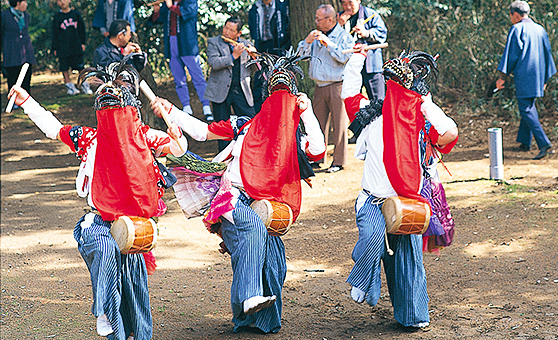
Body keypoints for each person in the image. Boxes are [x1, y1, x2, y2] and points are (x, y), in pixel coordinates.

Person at [7, 59, 186, 340]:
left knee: (134, 293)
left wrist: (175, 130)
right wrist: (26, 100)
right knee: (104, 249)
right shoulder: (89, 138)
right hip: (98, 221)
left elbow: (178, 148)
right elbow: (53, 128)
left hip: (134, 224)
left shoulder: (145, 136)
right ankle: (103, 310)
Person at [150, 50, 326, 333]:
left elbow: (317, 151)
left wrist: (308, 113)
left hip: (269, 203)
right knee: (252, 230)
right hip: (231, 197)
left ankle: (253, 319)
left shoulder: (294, 135)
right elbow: (203, 131)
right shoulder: (244, 124)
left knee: (273, 262)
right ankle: (249, 299)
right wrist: (171, 111)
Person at [341, 46, 458, 328]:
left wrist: (426, 104)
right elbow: (349, 95)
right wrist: (357, 59)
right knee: (371, 237)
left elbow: (450, 133)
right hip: (372, 199)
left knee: (407, 261)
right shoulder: (371, 117)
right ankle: (363, 279)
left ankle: (412, 316)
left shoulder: (421, 123)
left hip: (408, 202)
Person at [297, 4, 355, 173]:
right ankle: (317, 158)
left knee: (339, 126)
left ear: (330, 19)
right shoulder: (316, 36)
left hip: (337, 85)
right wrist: (307, 42)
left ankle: (339, 161)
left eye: (318, 19)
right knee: (317, 124)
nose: (315, 22)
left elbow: (345, 57)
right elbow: (302, 57)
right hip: (319, 86)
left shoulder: (344, 36)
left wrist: (329, 44)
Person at [496, 0, 556, 160]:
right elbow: (547, 55)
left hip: (525, 76)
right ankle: (525, 142)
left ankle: (544, 144)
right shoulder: (540, 29)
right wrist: (545, 79)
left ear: (515, 14)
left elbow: (511, 55)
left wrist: (502, 78)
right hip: (538, 76)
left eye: (510, 15)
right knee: (529, 106)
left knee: (526, 109)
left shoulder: (517, 29)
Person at [150, 0, 213, 121]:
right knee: (178, 77)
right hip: (172, 42)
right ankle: (186, 106)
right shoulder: (167, 4)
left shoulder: (190, 1)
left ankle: (206, 106)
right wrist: (157, 11)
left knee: (197, 76)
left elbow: (186, 14)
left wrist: (170, 6)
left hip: (188, 44)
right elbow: (158, 20)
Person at [204, 16, 256, 151]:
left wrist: (254, 56)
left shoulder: (246, 43)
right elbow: (214, 63)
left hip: (241, 90)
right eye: (226, 27)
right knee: (221, 129)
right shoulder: (214, 42)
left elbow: (255, 69)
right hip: (220, 91)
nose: (226, 32)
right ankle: (223, 161)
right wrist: (233, 56)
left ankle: (250, 154)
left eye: (231, 30)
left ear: (239, 33)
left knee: (251, 123)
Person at [338, 0, 387, 101]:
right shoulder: (338, 18)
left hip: (371, 66)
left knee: (378, 102)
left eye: (350, 3)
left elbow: (382, 34)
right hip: (349, 67)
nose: (347, 7)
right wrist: (339, 25)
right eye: (344, 3)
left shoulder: (370, 14)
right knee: (352, 101)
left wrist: (366, 33)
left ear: (358, 1)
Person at [248, 0, 291, 112]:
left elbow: (286, 26)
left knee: (279, 79)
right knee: (261, 80)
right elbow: (253, 28)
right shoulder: (255, 8)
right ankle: (259, 113)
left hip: (278, 46)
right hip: (261, 47)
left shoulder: (281, 6)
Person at [52, 0, 93, 95]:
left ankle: (85, 85)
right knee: (64, 67)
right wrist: (55, 48)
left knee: (80, 67)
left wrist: (83, 43)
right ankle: (70, 87)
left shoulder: (76, 14)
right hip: (63, 47)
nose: (62, 2)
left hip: (76, 45)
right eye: (59, 0)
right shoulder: (57, 17)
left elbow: (82, 30)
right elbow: (54, 33)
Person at [1, 0, 36, 101]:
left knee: (26, 76)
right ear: (17, 3)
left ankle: (26, 100)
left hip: (26, 52)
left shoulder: (26, 16)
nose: (26, 4)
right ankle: (14, 101)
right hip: (12, 52)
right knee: (13, 76)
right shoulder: (4, 15)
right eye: (24, 2)